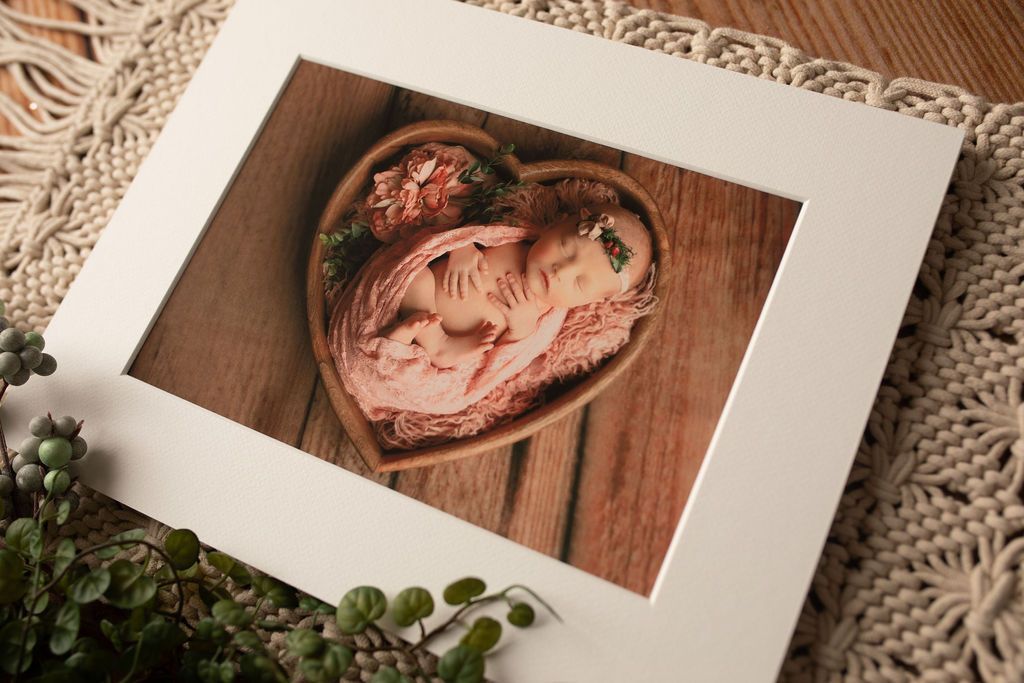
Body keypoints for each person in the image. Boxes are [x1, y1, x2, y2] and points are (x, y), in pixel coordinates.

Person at [382, 202, 653, 369]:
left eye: (579, 283)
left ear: (587, 302)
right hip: (411, 299)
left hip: (448, 351)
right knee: (415, 277)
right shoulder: (511, 237)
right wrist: (462, 247)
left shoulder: (540, 319)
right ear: (554, 226)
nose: (562, 270)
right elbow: (458, 226)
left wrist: (520, 328)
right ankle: (429, 341)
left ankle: (408, 346)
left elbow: (503, 361)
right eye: (565, 248)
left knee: (462, 353)